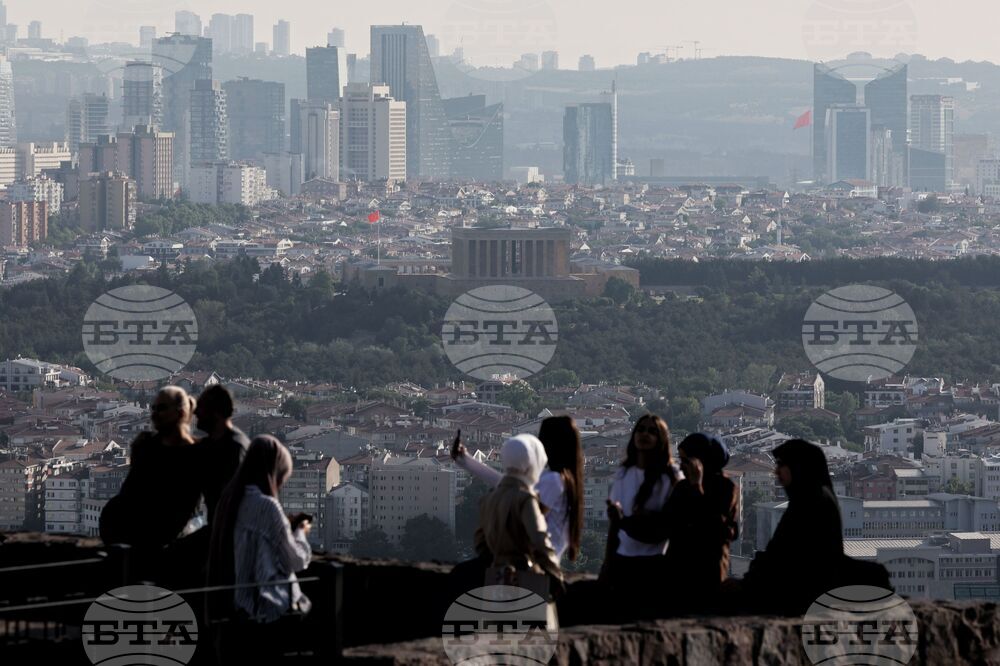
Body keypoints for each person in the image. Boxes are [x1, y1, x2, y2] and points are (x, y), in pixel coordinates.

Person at [207, 435, 312, 661]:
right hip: (263, 614)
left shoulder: (229, 498)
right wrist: (300, 533)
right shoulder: (266, 507)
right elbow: (295, 561)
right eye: (281, 479)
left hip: (229, 609)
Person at [612, 433, 739, 614]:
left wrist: (697, 488)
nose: (682, 466)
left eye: (686, 461)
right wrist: (625, 521)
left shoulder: (725, 488)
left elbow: (716, 530)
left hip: (706, 578)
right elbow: (664, 525)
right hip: (676, 574)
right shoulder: (682, 488)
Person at [452, 416, 584, 562]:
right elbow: (513, 487)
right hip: (537, 557)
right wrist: (466, 460)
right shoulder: (558, 478)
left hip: (537, 560)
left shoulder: (553, 480)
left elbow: (523, 506)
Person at [737, 439, 843, 615]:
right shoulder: (808, 499)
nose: (776, 471)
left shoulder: (811, 503)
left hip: (801, 597)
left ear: (798, 467)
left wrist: (748, 583)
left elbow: (784, 556)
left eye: (781, 465)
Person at [474, 434, 564, 627]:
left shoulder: (489, 498)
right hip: (525, 576)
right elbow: (540, 540)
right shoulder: (525, 499)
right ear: (531, 465)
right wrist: (555, 575)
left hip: (496, 579)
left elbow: (481, 543)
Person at [99, 386, 202, 550]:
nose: (154, 414)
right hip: (131, 534)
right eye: (153, 408)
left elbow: (187, 506)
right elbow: (130, 491)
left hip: (166, 538)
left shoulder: (197, 454)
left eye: (161, 408)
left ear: (180, 413)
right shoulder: (145, 445)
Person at [600, 414, 681, 620]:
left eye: (652, 431)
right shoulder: (624, 473)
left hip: (654, 564)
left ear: (661, 439)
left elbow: (670, 526)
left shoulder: (671, 477)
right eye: (641, 429)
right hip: (623, 561)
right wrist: (607, 564)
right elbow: (614, 526)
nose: (644, 434)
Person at [194, 384, 250, 524]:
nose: (196, 412)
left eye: (200, 407)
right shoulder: (208, 445)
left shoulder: (235, 448)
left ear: (216, 412)